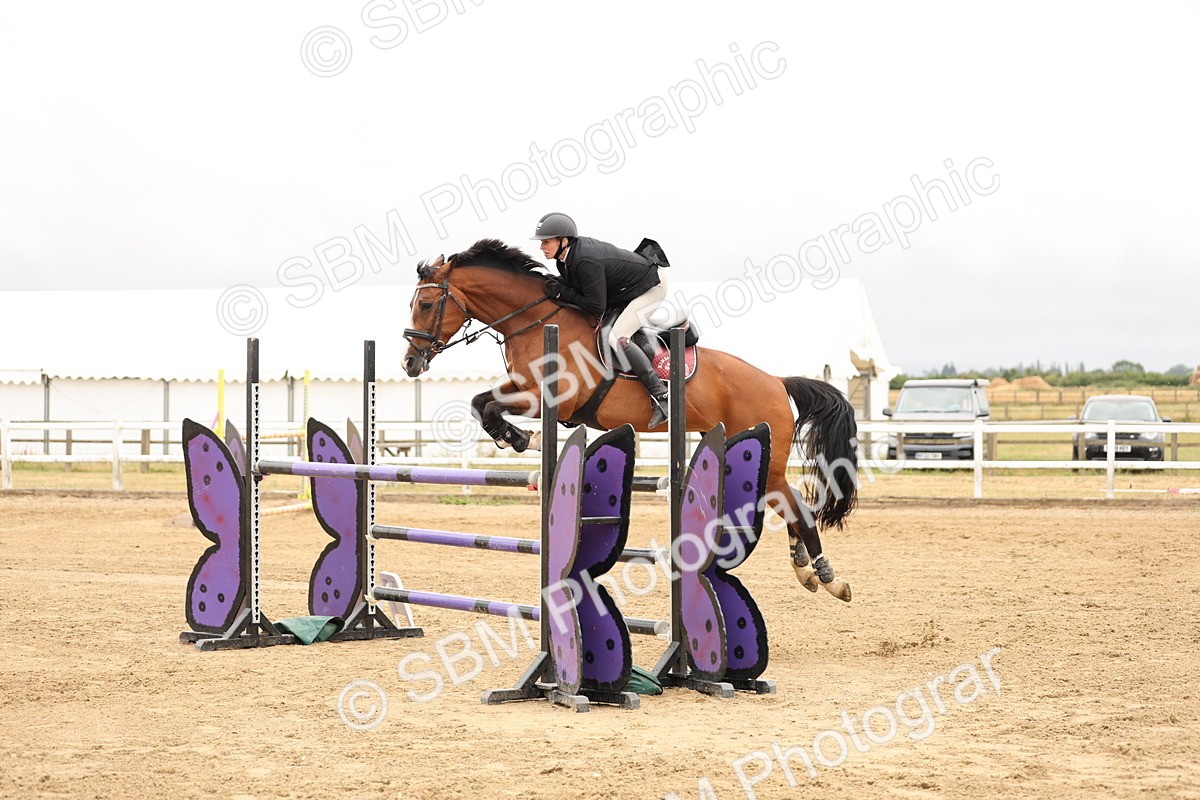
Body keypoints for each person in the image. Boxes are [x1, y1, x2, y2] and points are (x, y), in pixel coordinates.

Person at [530, 212, 671, 428]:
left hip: (651, 287)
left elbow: (596, 306)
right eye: (542, 242)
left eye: (546, 241)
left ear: (564, 240)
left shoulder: (585, 260)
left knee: (617, 337)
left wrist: (561, 293)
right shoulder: (565, 259)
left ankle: (661, 397)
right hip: (625, 289)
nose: (542, 247)